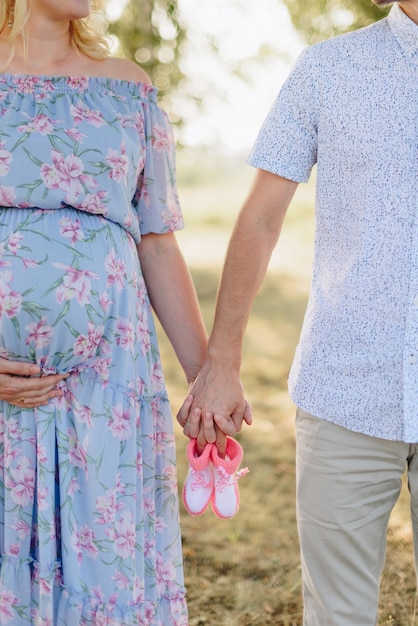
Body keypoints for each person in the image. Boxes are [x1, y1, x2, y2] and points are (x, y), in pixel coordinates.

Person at [177, 0, 418, 623]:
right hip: (344, 389)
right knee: (338, 615)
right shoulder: (327, 69)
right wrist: (221, 363)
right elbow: (260, 217)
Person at [0, 1, 209, 624]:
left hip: (109, 382)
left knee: (105, 555)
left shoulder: (127, 85)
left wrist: (208, 376)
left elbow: (157, 239)